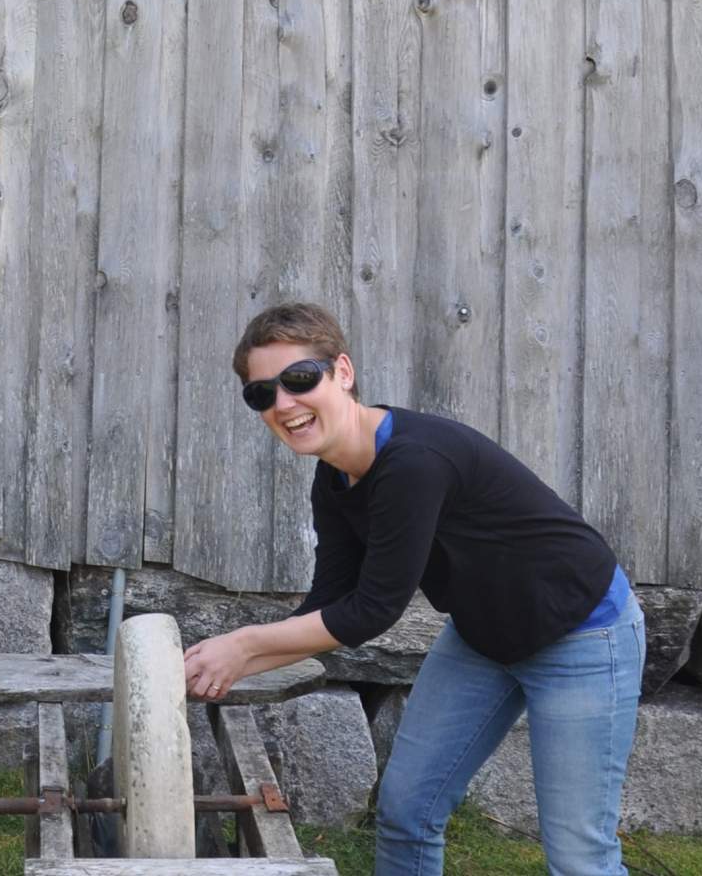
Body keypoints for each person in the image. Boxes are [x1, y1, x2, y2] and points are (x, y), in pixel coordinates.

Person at [182, 303, 643, 876]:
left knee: (578, 853)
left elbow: (373, 611)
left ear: (342, 372)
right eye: (261, 394)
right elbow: (329, 607)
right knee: (406, 812)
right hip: (484, 637)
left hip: (582, 631)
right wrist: (226, 665)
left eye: (299, 379)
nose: (283, 404)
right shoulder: (335, 477)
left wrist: (246, 645)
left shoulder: (412, 462)